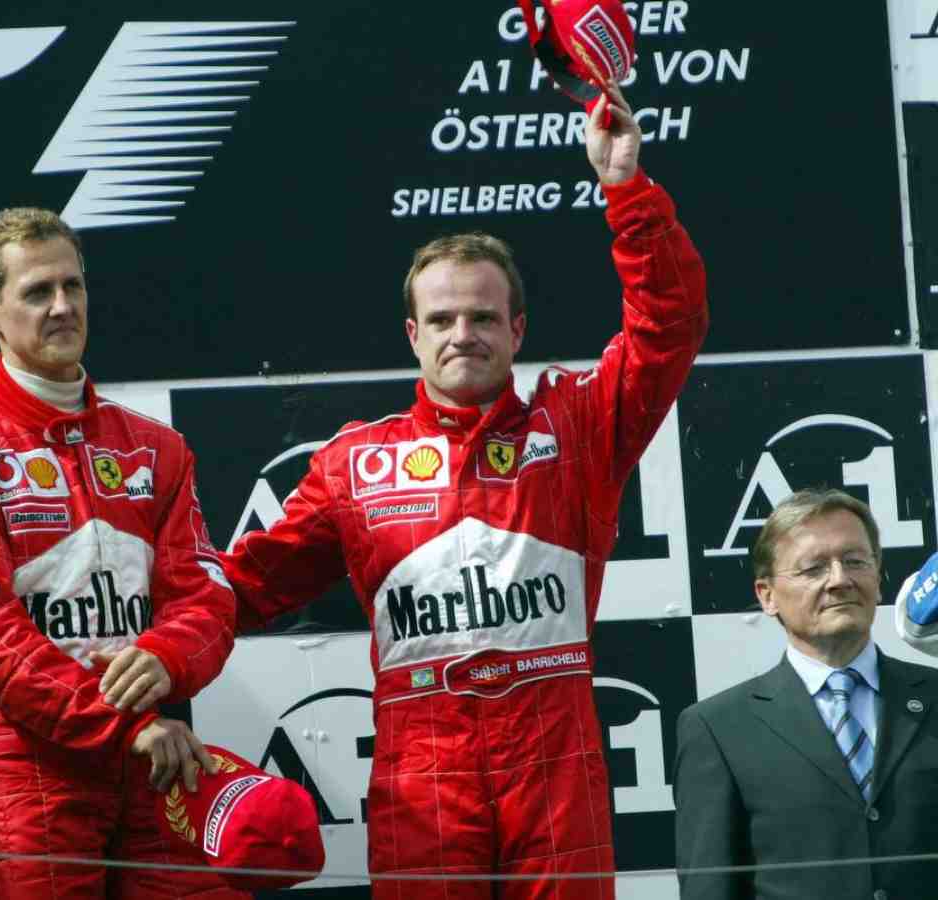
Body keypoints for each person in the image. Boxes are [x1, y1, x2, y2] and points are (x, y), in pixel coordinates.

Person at [216, 81, 707, 898]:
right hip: (422, 772)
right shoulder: (355, 464)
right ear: (413, 335)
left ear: (518, 329)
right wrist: (146, 643)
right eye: (442, 320)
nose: (463, 335)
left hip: (555, 763)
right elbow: (244, 588)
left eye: (483, 317)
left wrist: (626, 190)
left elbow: (671, 325)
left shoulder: (578, 424)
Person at [0, 208, 244, 899]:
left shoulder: (155, 448)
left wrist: (166, 656)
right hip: (26, 771)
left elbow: (207, 596)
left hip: (155, 760)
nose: (63, 307)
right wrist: (120, 722)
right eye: (37, 292)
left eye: (73, 286)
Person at [673, 488, 938, 900]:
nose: (840, 580)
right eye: (814, 568)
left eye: (855, 561)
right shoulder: (717, 729)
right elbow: (711, 888)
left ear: (879, 577)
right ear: (767, 595)